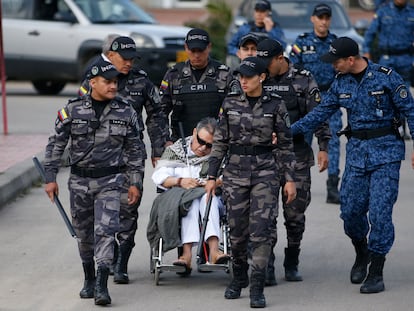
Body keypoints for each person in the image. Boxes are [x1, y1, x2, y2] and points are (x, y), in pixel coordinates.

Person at [291, 37, 414, 294]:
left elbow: (410, 110)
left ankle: (376, 271)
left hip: (386, 153)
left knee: (380, 214)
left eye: (336, 61)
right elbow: (320, 112)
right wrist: (288, 131)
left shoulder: (386, 76)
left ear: (350, 59)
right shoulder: (340, 82)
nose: (332, 66)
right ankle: (362, 252)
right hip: (357, 154)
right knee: (350, 213)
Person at [43, 59, 145, 305]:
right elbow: (56, 144)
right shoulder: (73, 110)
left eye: (115, 82)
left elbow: (135, 149)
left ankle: (102, 285)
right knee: (84, 234)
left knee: (106, 231)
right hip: (79, 181)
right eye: (107, 82)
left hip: (111, 180)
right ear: (93, 83)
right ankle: (88, 278)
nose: (113, 86)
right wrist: (50, 177)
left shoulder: (125, 110)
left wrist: (135, 182)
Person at [205, 57, 296, 308]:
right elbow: (220, 143)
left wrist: (289, 179)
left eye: (248, 77)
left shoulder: (276, 105)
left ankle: (257, 286)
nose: (243, 81)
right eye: (240, 77)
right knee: (237, 232)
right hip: (234, 172)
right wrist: (212, 176)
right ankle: (239, 277)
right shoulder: (230, 103)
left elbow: (286, 146)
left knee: (262, 231)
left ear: (262, 78)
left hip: (265, 172)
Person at [79, 35, 170, 283]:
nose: (128, 63)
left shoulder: (141, 81)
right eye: (124, 58)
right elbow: (79, 113)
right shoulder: (94, 78)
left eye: (132, 59)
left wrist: (158, 149)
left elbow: (157, 114)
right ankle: (109, 253)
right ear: (111, 56)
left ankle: (122, 262)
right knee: (101, 212)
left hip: (131, 152)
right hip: (99, 155)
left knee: (129, 207)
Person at [256, 38, 330, 285]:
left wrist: (323, 147)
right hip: (264, 157)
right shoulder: (258, 76)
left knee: (295, 215)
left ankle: (292, 260)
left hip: (296, 157)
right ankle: (266, 264)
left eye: (268, 62)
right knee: (265, 216)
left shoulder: (303, 79)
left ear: (280, 58)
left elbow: (318, 114)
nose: (263, 67)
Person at [149, 117, 230, 275]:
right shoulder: (176, 150)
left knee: (208, 198)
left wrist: (216, 182)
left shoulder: (220, 154)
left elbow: (231, 175)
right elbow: (159, 176)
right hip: (181, 199)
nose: (203, 148)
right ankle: (186, 255)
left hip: (211, 197)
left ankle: (214, 251)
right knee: (190, 202)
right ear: (194, 132)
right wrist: (180, 181)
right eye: (200, 141)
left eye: (209, 145)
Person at [289, 3, 342, 204]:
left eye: (327, 17)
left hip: (329, 96)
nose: (323, 21)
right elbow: (292, 71)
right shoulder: (301, 43)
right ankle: (296, 182)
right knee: (303, 139)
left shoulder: (335, 43)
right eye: (320, 17)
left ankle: (333, 186)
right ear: (313, 19)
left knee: (333, 141)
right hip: (307, 98)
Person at [159, 28, 232, 142]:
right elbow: (160, 112)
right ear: (186, 48)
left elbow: (235, 111)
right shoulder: (174, 75)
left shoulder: (224, 74)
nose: (197, 55)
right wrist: (165, 141)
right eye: (193, 51)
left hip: (217, 143)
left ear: (209, 47)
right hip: (181, 142)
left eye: (201, 50)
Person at [363, 0, 414, 139]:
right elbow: (370, 33)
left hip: (405, 59)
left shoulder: (412, 13)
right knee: (385, 93)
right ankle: (389, 126)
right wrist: (366, 51)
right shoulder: (383, 11)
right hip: (387, 58)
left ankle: (403, 128)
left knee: (403, 93)